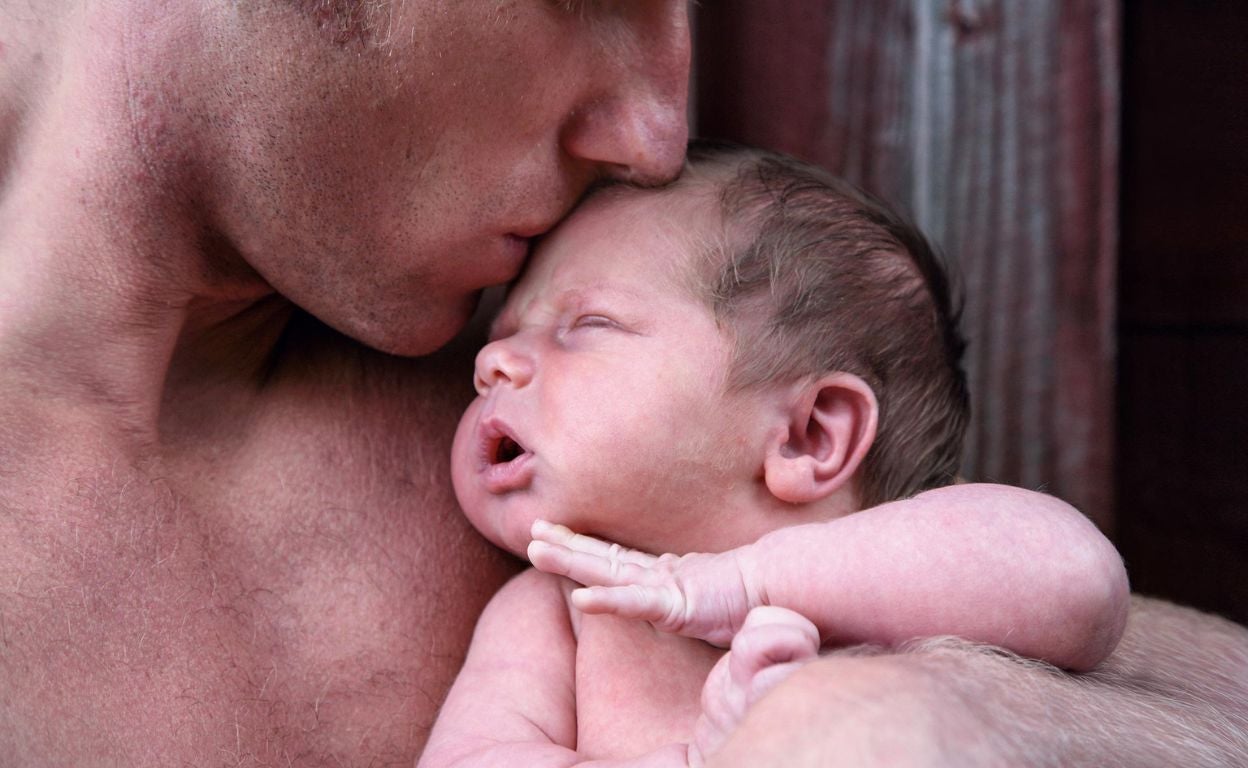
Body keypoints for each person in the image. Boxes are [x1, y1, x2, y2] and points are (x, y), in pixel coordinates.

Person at [0, 1, 1244, 766]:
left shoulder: (552, 413)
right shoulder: (542, 465)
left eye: (583, 323)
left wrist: (901, 722)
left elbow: (1091, 608)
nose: (657, 135)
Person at [419, 143, 1130, 767]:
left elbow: (1083, 583)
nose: (493, 362)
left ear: (808, 435)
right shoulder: (555, 613)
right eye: (505, 331)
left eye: (587, 323)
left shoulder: (903, 565)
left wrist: (743, 586)